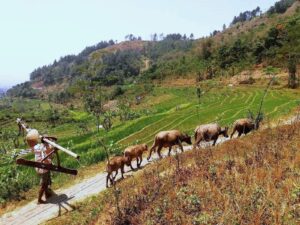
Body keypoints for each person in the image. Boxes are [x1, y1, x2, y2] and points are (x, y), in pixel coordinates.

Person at [26, 129, 55, 204]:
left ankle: (47, 194)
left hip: (40, 167)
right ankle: (39, 200)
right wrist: (49, 138)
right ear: (46, 141)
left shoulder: (37, 147)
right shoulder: (46, 148)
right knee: (44, 184)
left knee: (47, 181)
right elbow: (55, 139)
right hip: (44, 168)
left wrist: (44, 138)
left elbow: (33, 145)